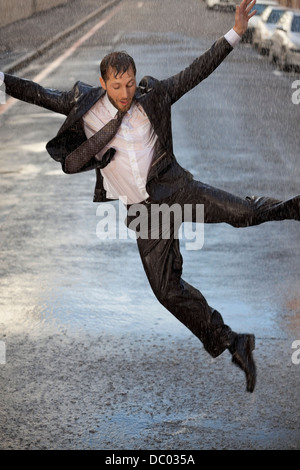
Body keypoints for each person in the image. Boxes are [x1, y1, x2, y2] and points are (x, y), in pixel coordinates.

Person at [1, 0, 299, 393]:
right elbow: (37, 92)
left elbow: (196, 71)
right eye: (116, 86)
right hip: (145, 213)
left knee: (242, 213)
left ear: (135, 79)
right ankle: (233, 341)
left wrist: (236, 33)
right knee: (166, 291)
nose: (125, 93)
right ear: (103, 83)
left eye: (129, 84)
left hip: (174, 190)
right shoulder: (82, 104)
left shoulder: (153, 98)